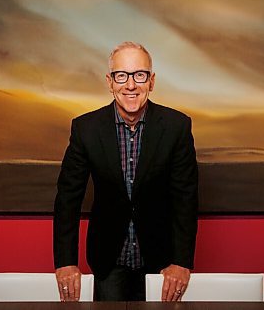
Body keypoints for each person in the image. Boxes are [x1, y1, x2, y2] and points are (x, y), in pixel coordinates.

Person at [53, 41, 198, 302]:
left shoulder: (177, 127)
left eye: (139, 75)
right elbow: (67, 199)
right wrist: (65, 262)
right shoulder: (86, 129)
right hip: (109, 261)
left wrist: (181, 262)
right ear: (110, 82)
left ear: (151, 81)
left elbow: (185, 199)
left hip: (162, 262)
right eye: (122, 75)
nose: (130, 85)